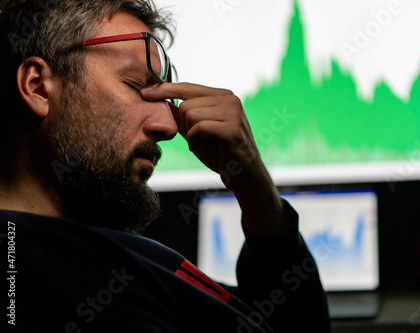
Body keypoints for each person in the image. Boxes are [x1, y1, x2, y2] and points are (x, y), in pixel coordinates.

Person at [0, 0, 329, 332]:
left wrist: (256, 193)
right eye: (136, 87)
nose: (168, 126)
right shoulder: (53, 283)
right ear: (38, 86)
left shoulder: (85, 258)